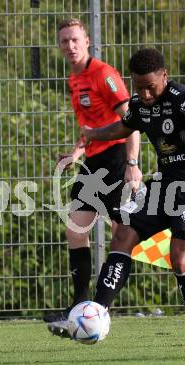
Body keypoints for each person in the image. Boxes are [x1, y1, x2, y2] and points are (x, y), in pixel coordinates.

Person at [81, 48, 185, 347]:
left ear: (164, 76)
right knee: (123, 235)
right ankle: (96, 312)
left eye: (151, 87)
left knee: (179, 256)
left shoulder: (182, 99)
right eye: (138, 87)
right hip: (164, 183)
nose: (144, 94)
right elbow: (124, 125)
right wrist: (93, 133)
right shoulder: (140, 105)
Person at [44, 19, 142, 335]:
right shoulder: (75, 79)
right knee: (76, 229)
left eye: (74, 40)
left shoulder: (103, 74)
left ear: (87, 41)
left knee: (124, 234)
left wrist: (132, 162)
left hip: (114, 158)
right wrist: (75, 153)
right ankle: (80, 308)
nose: (69, 46)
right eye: (64, 42)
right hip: (93, 161)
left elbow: (132, 121)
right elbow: (89, 125)